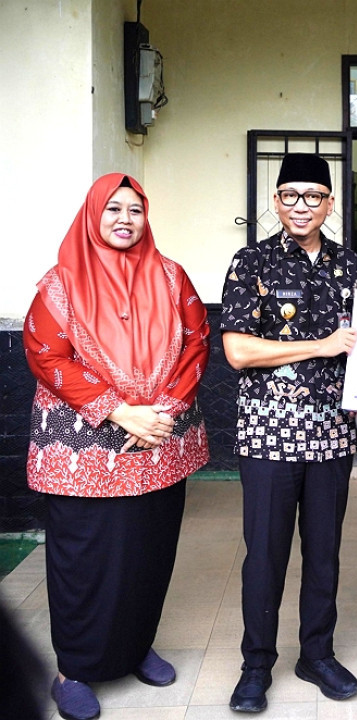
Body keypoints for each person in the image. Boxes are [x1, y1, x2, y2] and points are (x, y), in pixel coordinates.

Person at [24, 173, 210, 720]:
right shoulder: (60, 283)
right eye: (113, 209)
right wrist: (119, 409)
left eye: (135, 209)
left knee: (149, 553)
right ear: (93, 215)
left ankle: (135, 648)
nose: (125, 219)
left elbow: (196, 341)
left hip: (157, 444)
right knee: (86, 560)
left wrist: (165, 410)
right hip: (85, 451)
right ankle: (74, 669)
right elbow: (45, 355)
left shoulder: (172, 277)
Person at [221, 153, 357, 712]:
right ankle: (256, 664)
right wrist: (321, 346)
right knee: (265, 555)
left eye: (313, 196)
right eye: (290, 195)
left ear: (330, 203)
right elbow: (238, 351)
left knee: (324, 553)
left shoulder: (352, 266)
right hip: (268, 433)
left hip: (331, 433)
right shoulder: (250, 261)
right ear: (276, 201)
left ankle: (317, 655)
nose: (301, 206)